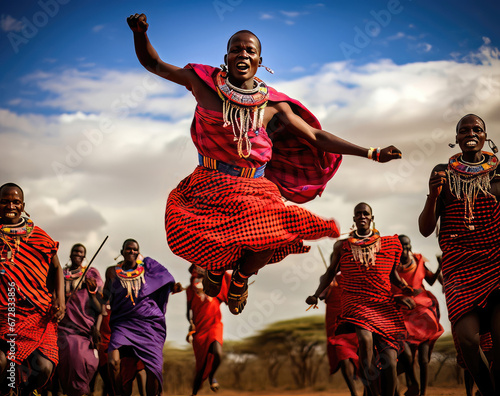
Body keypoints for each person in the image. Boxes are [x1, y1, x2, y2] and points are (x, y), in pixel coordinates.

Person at [126, 14, 402, 315]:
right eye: (236, 50)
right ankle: (215, 268)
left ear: (259, 61)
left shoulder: (272, 104)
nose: (242, 54)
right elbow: (154, 64)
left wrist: (371, 152)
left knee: (277, 228)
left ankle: (241, 279)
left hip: (255, 187)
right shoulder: (202, 83)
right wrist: (141, 34)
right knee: (196, 232)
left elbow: (315, 136)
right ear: (226, 58)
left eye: (249, 51)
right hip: (209, 182)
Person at [419, 114, 500, 394]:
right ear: (456, 138)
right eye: (464, 129)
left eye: (477, 128)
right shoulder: (442, 173)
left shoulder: (499, 174)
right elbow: (426, 229)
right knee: (467, 340)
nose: (470, 133)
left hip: (496, 262)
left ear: (485, 135)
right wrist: (432, 195)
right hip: (460, 267)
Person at [306, 202, 413, 396]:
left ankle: (405, 387)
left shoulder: (388, 244)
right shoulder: (343, 246)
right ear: (354, 219)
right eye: (358, 214)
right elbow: (330, 271)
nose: (362, 216)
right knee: (364, 339)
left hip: (383, 304)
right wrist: (315, 294)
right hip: (356, 303)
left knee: (390, 359)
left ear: (372, 218)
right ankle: (371, 390)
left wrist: (404, 288)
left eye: (366, 213)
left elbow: (392, 275)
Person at [0, 182, 65, 395]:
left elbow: (56, 268)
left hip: (37, 314)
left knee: (44, 369)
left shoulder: (37, 235)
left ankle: (25, 392)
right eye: (5, 201)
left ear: (23, 205)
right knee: (1, 364)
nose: (10, 205)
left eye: (15, 201)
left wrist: (60, 300)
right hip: (3, 315)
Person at [103, 238, 178, 396]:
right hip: (123, 323)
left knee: (154, 369)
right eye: (129, 249)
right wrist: (92, 292)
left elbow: (165, 279)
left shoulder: (148, 271)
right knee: (113, 362)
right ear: (122, 252)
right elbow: (106, 297)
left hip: (148, 324)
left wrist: (172, 287)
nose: (132, 252)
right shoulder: (111, 272)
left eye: (135, 250)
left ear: (138, 253)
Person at [392, 235, 444, 396]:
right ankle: (412, 383)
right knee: (406, 353)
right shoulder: (391, 267)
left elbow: (430, 281)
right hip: (403, 311)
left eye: (408, 246)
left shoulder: (418, 260)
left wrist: (440, 267)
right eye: (402, 247)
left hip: (423, 311)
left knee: (423, 359)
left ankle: (422, 392)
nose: (406, 249)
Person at [53, 243, 103, 396]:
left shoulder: (90, 274)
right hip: (63, 326)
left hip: (83, 329)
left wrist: (92, 291)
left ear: (84, 256)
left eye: (81, 252)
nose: (77, 254)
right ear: (70, 254)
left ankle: (81, 391)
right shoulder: (61, 274)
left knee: (84, 360)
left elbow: (99, 308)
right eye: (75, 251)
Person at [186, 265, 230, 396]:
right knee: (201, 366)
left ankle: (212, 376)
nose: (200, 270)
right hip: (199, 330)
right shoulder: (190, 289)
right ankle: (194, 393)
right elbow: (187, 311)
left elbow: (227, 291)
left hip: (214, 325)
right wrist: (191, 323)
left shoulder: (215, 285)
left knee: (217, 353)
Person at [318, 272, 361, 396]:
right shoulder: (327, 277)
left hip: (355, 320)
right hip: (336, 325)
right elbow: (321, 296)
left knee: (363, 356)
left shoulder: (355, 274)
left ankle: (369, 389)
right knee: (344, 357)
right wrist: (328, 284)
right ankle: (354, 393)